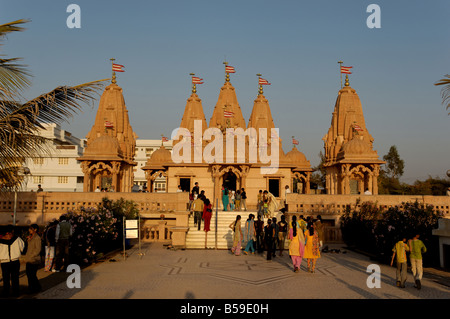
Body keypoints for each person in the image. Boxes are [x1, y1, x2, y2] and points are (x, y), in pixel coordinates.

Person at [0, 225, 25, 297]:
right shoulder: (17, 239)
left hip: (5, 262)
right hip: (14, 261)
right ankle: (15, 293)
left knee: (6, 278)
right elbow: (22, 248)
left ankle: (6, 292)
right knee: (14, 278)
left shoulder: (1, 241)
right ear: (9, 232)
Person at [24, 224, 42, 293]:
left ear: (35, 230)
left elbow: (38, 249)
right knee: (29, 275)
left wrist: (31, 256)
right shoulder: (31, 237)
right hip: (29, 259)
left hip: (34, 260)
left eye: (31, 229)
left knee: (32, 275)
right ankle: (34, 288)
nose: (29, 230)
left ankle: (35, 288)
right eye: (29, 229)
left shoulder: (37, 238)